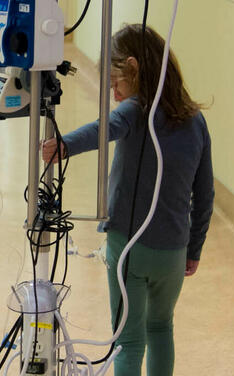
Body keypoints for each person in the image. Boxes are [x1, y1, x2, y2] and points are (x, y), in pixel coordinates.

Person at [41, 24, 214, 376]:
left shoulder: (136, 112)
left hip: (130, 246)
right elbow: (205, 192)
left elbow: (104, 129)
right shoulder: (195, 120)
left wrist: (64, 145)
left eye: (115, 83)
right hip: (173, 251)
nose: (115, 94)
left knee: (129, 340)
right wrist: (194, 248)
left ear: (133, 68)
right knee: (161, 327)